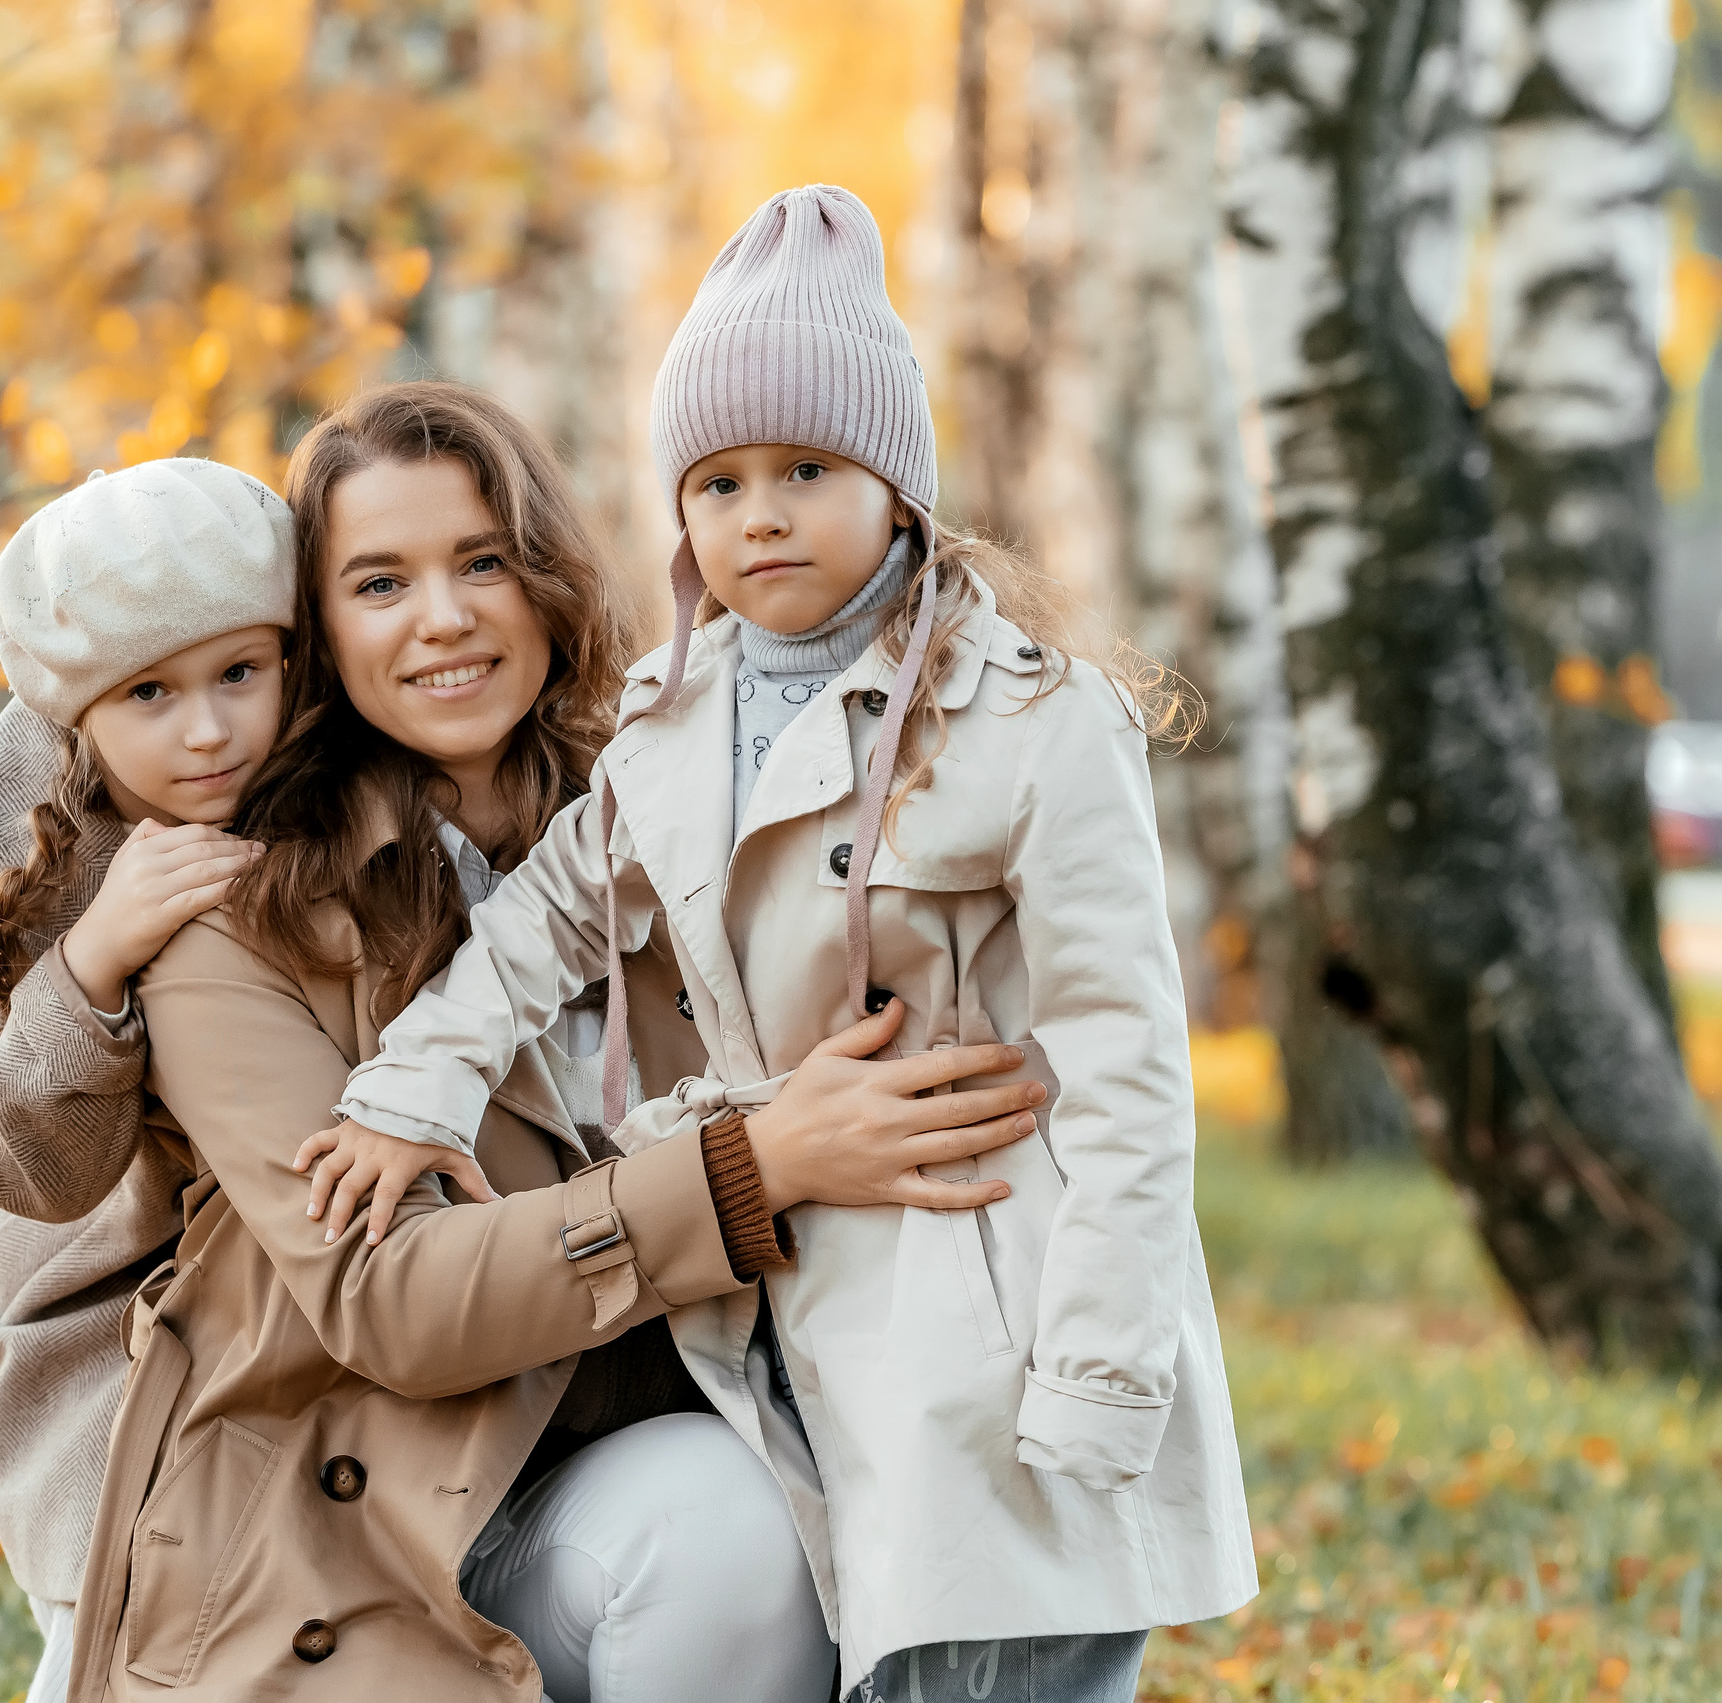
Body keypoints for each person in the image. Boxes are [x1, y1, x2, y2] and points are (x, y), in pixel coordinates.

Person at [312, 186, 1260, 1702]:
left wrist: (1098, 1367)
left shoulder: (1028, 716)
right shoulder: (671, 730)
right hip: (793, 1311)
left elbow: (1126, 1061)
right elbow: (538, 925)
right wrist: (413, 1084)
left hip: (993, 1299)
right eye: (717, 480)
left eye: (807, 468)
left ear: (897, 485)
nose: (759, 514)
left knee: (997, 1656)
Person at [71, 381, 1037, 1703]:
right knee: (719, 1529)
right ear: (317, 634)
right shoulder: (235, 917)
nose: (444, 616)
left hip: (656, 1441)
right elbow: (388, 1298)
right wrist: (750, 1167)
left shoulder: (686, 814)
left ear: (548, 579)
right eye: (379, 582)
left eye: (483, 561)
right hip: (367, 1545)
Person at [0, 458, 428, 1703]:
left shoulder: (342, 761)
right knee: (146, 1624)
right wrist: (89, 962)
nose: (207, 730)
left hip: (326, 1267)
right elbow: (26, 1170)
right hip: (106, 1310)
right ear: (74, 703)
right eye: (149, 692)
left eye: (239, 672)